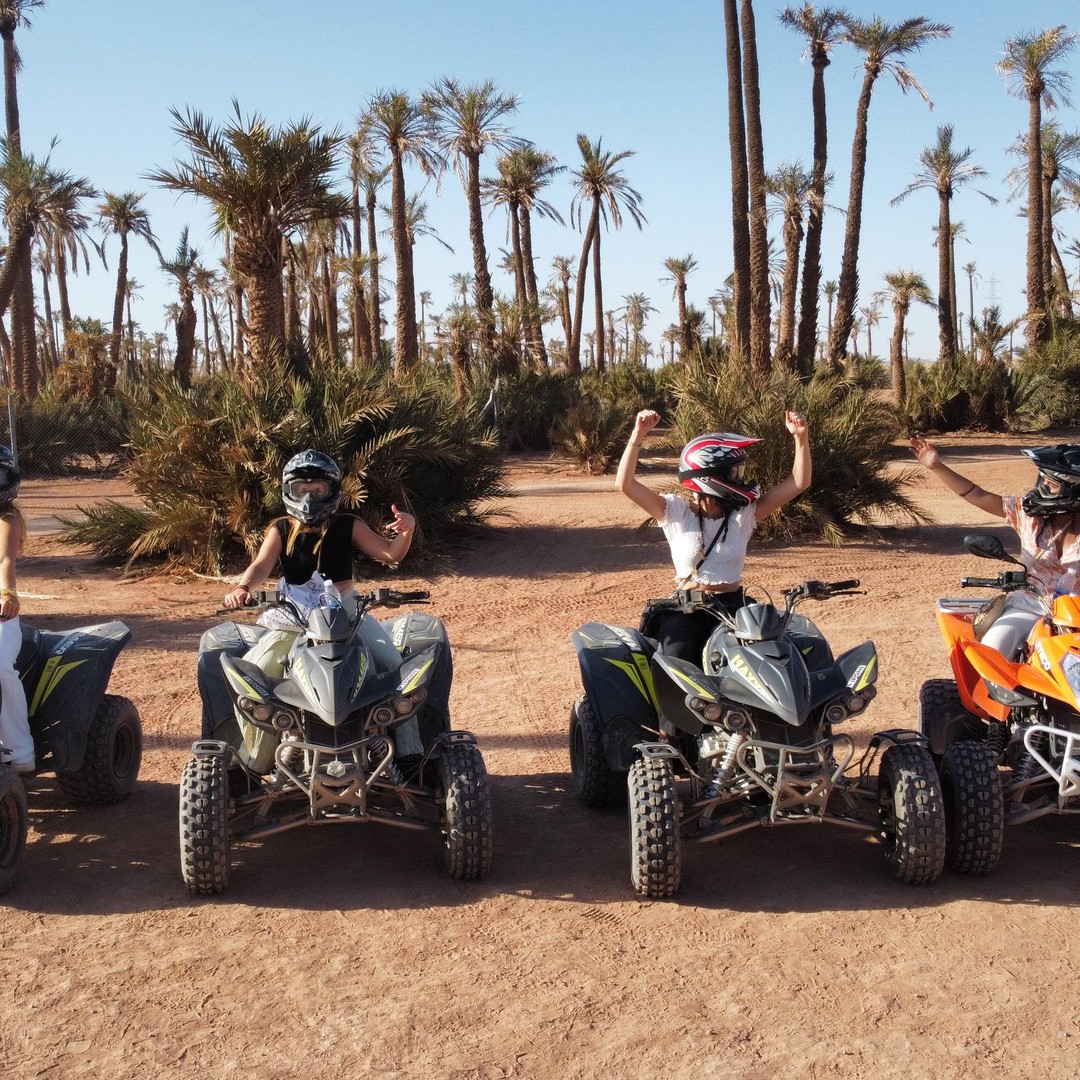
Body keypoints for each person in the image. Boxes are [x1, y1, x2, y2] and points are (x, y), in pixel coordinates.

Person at [616, 409, 811, 664]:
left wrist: (801, 438)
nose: (739, 477)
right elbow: (625, 484)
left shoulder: (742, 515)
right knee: (677, 665)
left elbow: (799, 483)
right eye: (733, 472)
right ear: (711, 475)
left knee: (776, 660)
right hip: (688, 610)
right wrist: (638, 435)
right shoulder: (674, 512)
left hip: (736, 607)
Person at [910, 435, 1080, 660]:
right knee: (992, 652)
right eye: (1042, 480)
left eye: (1051, 483)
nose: (1042, 487)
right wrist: (937, 467)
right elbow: (977, 494)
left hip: (1075, 617)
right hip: (1031, 607)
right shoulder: (1028, 517)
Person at [0, 445, 31, 775]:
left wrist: (8, 594)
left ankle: (20, 750)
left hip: (2, 613)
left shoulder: (7, 520)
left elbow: (6, 559)